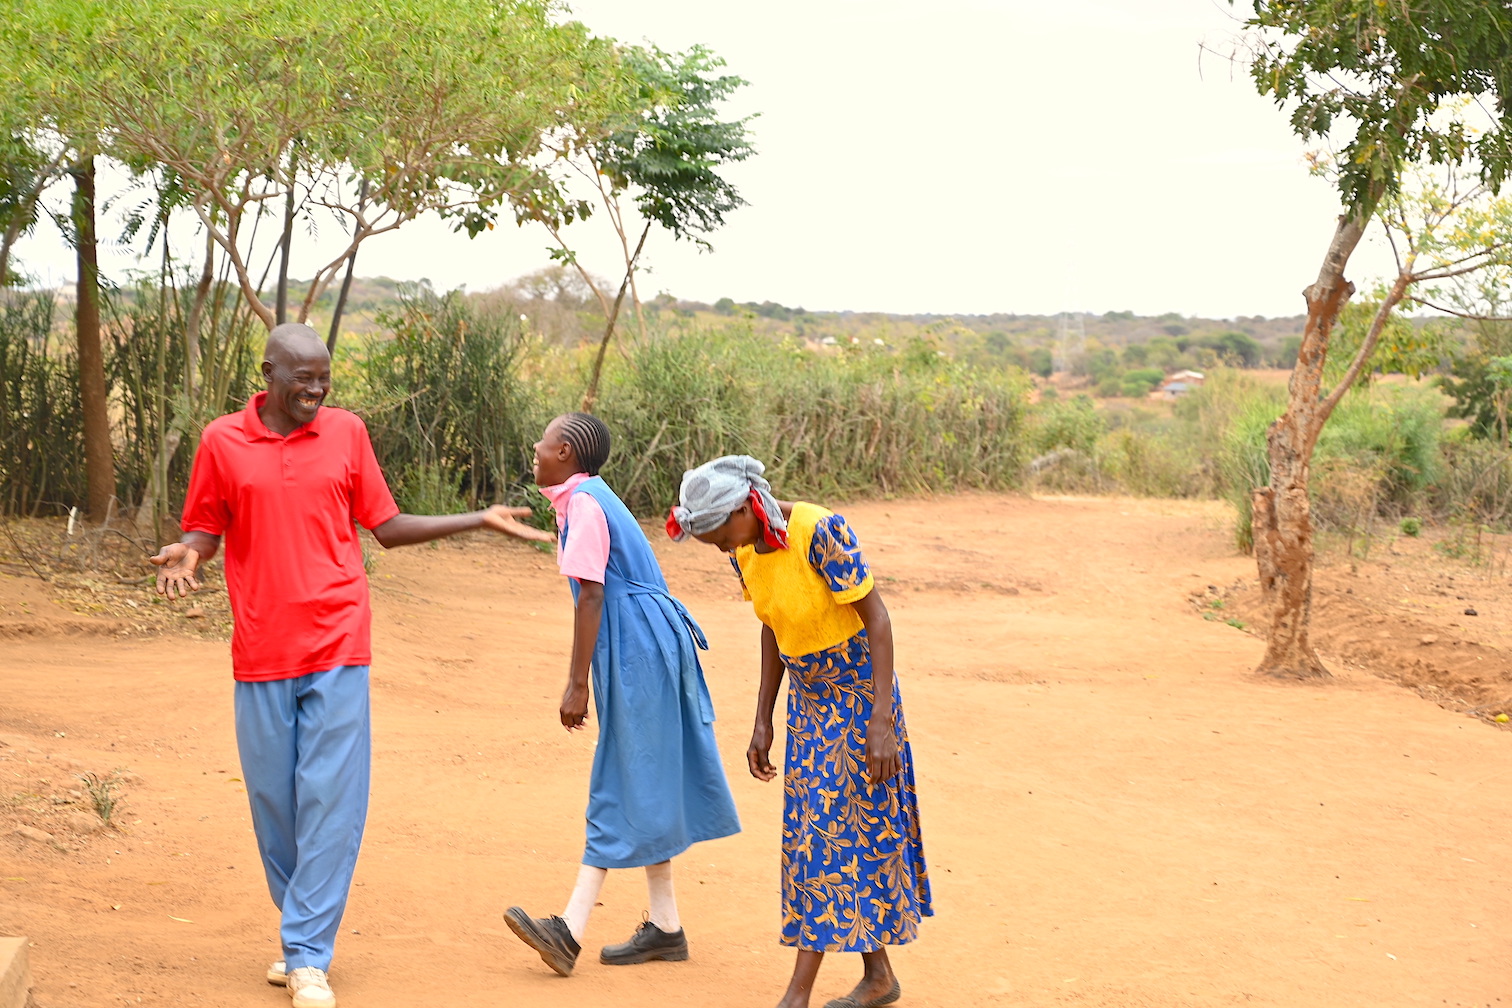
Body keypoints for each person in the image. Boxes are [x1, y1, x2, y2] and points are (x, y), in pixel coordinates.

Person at [150, 323, 538, 1008]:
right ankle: (302, 927)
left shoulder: (346, 433)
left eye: (324, 376)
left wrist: (476, 518)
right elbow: (205, 527)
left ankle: (306, 953)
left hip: (337, 641)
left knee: (330, 803)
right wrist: (189, 551)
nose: (317, 389)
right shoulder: (223, 441)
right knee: (276, 806)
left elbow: (384, 527)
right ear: (269, 373)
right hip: (261, 649)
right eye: (303, 377)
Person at [668, 455, 931, 1008]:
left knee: (825, 840)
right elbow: (772, 625)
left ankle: (796, 997)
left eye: (718, 533)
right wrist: (763, 716)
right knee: (827, 836)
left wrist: (881, 722)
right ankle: (878, 976)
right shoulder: (744, 549)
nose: (718, 547)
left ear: (745, 509)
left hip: (862, 700)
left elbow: (877, 620)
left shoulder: (820, 530)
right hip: (810, 706)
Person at [491, 412, 741, 978]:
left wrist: (577, 682)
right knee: (640, 772)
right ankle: (666, 927)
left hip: (637, 645)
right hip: (642, 641)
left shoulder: (584, 504)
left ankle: (569, 931)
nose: (537, 446)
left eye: (546, 442)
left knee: (619, 774)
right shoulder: (586, 496)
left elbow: (591, 597)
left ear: (568, 455)